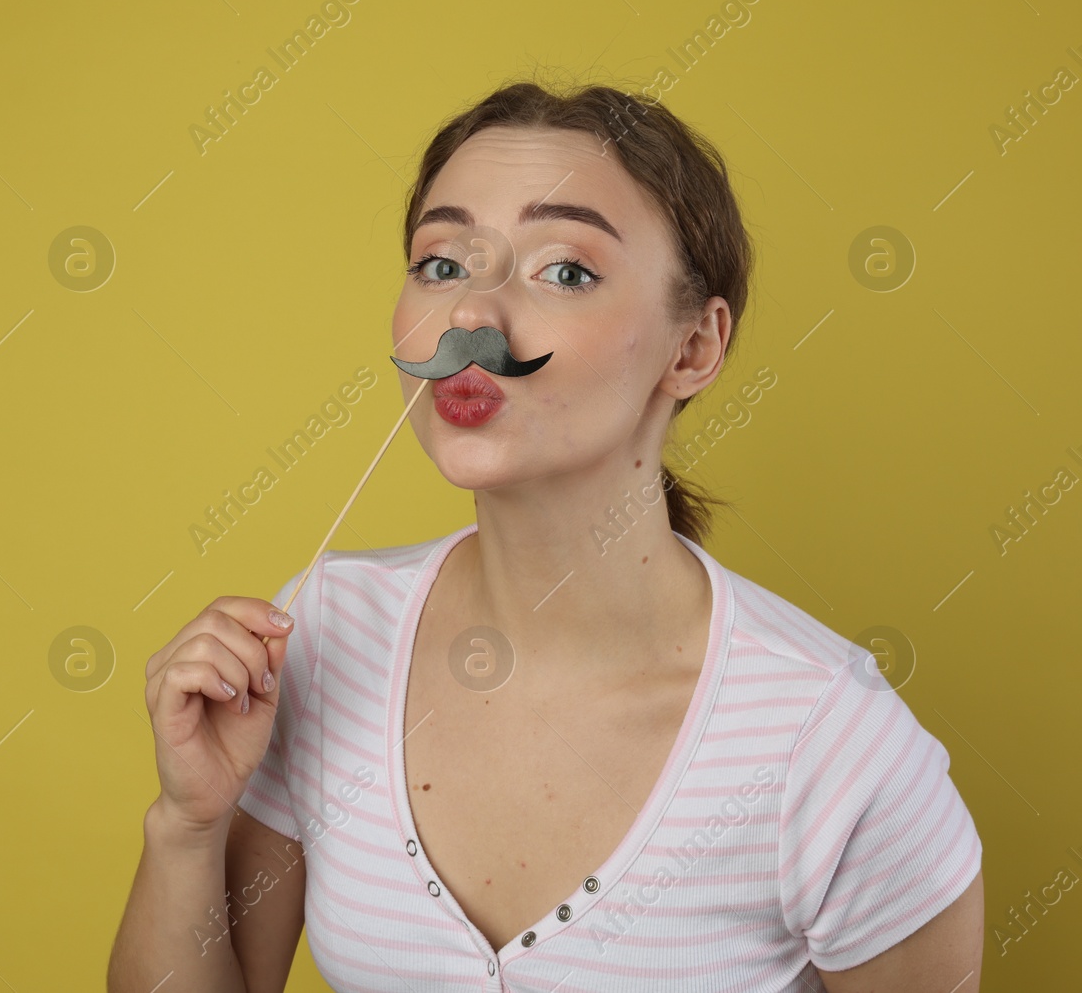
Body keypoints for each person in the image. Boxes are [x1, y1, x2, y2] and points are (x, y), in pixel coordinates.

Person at [108, 79, 984, 992]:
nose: (472, 319)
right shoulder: (330, 629)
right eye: (442, 264)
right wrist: (188, 823)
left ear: (694, 348)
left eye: (564, 270)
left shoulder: (833, 746)